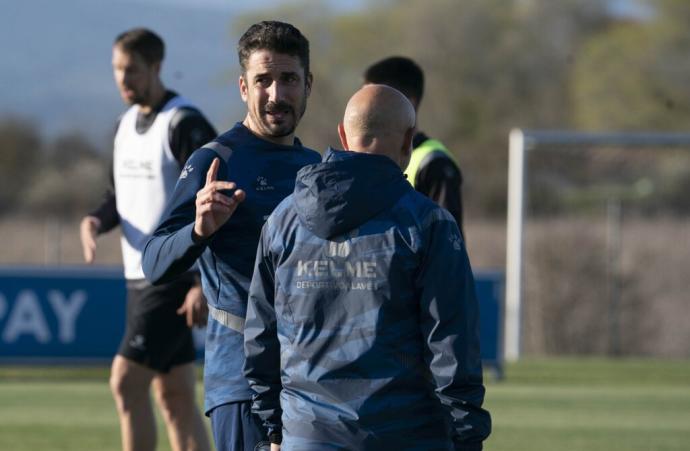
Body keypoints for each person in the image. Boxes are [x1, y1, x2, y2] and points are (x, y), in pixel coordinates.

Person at [243, 84, 491, 451]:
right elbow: (451, 341)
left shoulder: (283, 220)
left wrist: (271, 431)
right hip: (408, 435)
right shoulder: (428, 223)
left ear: (343, 136)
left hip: (306, 435)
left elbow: (260, 334)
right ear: (409, 140)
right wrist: (467, 435)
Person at [141, 21, 320, 451]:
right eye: (263, 80)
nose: (276, 94)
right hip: (241, 383)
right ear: (243, 87)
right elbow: (154, 262)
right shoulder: (214, 161)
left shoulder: (316, 168)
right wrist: (199, 230)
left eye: (288, 79)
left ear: (307, 84)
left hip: (312, 380)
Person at [79, 28, 213, 451]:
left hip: (172, 279)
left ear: (156, 67)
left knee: (125, 382)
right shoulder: (123, 126)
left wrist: (200, 283)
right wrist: (96, 221)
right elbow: (119, 197)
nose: (122, 79)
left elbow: (215, 201)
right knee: (173, 397)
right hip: (137, 279)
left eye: (131, 70)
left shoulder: (184, 123)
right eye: (117, 69)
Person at [363, 56, 465, 235]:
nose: (366, 110)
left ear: (409, 102)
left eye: (376, 102)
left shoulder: (435, 164)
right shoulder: (368, 161)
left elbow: (449, 244)